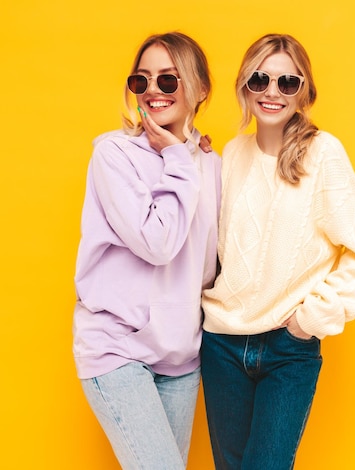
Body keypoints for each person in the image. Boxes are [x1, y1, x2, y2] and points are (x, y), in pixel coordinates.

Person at [200, 33, 355, 470]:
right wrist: (193, 158)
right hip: (222, 344)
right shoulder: (231, 154)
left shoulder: (323, 154)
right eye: (260, 79)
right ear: (244, 85)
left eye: (287, 82)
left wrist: (308, 321)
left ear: (305, 91)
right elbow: (214, 246)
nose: (272, 92)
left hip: (288, 350)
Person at [72, 32, 221, 469]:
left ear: (201, 89)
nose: (153, 91)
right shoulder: (113, 155)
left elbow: (209, 263)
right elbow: (158, 243)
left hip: (180, 355)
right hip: (117, 348)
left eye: (169, 80)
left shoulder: (211, 165)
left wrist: (190, 156)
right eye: (142, 81)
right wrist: (177, 158)